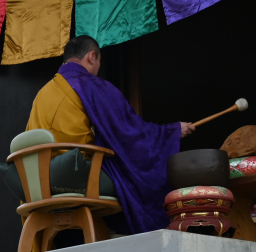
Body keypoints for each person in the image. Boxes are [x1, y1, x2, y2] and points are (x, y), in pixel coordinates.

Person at [11, 35, 195, 234]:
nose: (98, 67)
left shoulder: (43, 93)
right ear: (91, 56)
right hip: (76, 178)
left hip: (37, 183)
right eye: (99, 61)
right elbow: (130, 132)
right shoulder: (89, 84)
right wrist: (171, 132)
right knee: (130, 178)